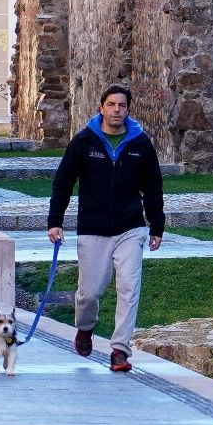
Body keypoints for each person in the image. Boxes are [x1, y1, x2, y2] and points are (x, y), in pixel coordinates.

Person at [46, 84, 165, 372]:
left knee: (128, 287)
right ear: (101, 108)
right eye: (111, 105)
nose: (116, 110)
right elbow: (63, 181)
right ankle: (85, 329)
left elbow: (153, 186)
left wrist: (156, 225)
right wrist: (55, 221)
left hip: (130, 228)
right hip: (93, 227)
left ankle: (120, 350)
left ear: (127, 110)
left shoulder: (140, 143)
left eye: (121, 105)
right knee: (90, 292)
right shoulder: (85, 142)